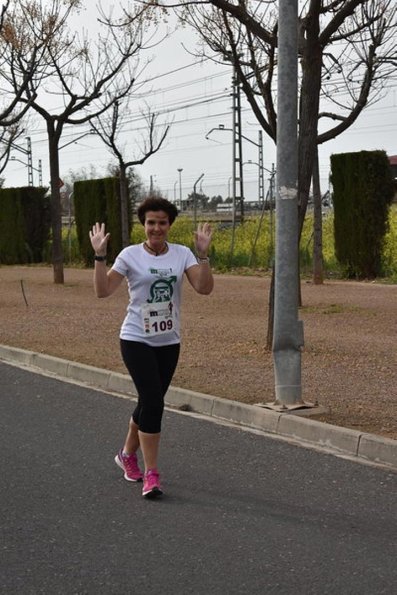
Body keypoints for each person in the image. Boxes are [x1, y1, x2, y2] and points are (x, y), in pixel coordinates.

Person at [89, 197, 213, 499]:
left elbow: (204, 288)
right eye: (150, 223)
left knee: (148, 401)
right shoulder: (130, 255)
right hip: (135, 338)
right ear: (143, 225)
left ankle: (127, 455)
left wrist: (203, 255)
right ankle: (152, 474)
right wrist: (100, 256)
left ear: (169, 225)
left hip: (168, 341)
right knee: (154, 403)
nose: (156, 228)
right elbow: (102, 291)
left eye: (162, 222)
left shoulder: (182, 254)